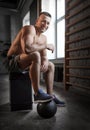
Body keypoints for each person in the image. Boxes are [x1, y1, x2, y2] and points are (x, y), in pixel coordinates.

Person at [7, 11, 65, 107]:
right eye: (43, 21)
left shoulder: (43, 38)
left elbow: (44, 56)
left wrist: (45, 61)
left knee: (51, 65)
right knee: (35, 55)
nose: (45, 25)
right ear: (37, 21)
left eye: (48, 23)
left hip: (25, 61)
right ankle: (37, 93)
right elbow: (28, 49)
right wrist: (46, 46)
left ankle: (50, 95)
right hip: (12, 61)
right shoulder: (29, 29)